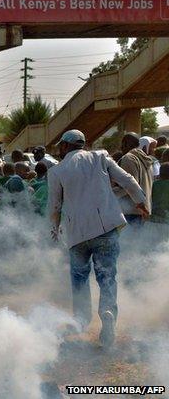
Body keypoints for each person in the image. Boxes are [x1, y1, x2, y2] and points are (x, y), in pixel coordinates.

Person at [47, 129, 148, 347]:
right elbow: (127, 180)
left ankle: (82, 320)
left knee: (80, 277)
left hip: (77, 234)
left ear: (65, 146)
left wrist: (54, 230)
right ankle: (108, 312)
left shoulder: (57, 170)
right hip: (105, 228)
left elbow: (54, 206)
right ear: (81, 144)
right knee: (107, 276)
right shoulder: (101, 156)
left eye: (60, 147)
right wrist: (140, 201)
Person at [115, 132, 153, 224]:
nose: (121, 147)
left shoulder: (128, 158)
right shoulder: (146, 159)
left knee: (124, 238)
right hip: (143, 210)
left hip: (130, 211)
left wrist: (109, 194)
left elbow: (128, 186)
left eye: (122, 144)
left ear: (126, 144)